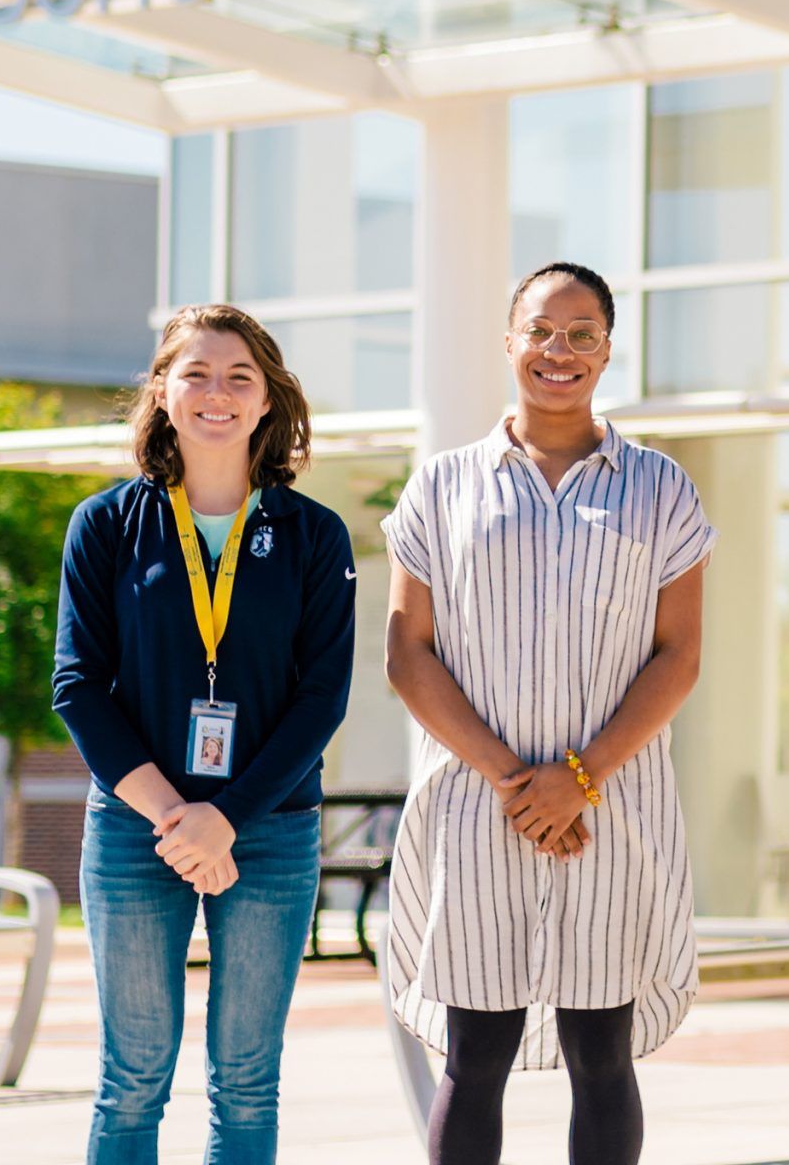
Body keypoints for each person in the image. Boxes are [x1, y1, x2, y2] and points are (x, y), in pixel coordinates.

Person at [381, 261, 715, 1165]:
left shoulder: (661, 489)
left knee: (601, 1048)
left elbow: (678, 657)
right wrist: (518, 784)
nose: (557, 351)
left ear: (608, 350)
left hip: (610, 807)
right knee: (474, 1051)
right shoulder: (441, 488)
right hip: (477, 807)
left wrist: (578, 780)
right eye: (540, 330)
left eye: (580, 334)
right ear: (508, 340)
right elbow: (408, 657)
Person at [53, 304, 356, 1165]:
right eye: (195, 373)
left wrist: (226, 820)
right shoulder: (107, 526)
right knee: (133, 1077)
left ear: (268, 401)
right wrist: (172, 817)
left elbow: (321, 699)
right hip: (133, 827)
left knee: (247, 1079)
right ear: (162, 391)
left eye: (239, 377)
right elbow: (77, 686)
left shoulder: (313, 535)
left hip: (271, 829)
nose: (216, 394)